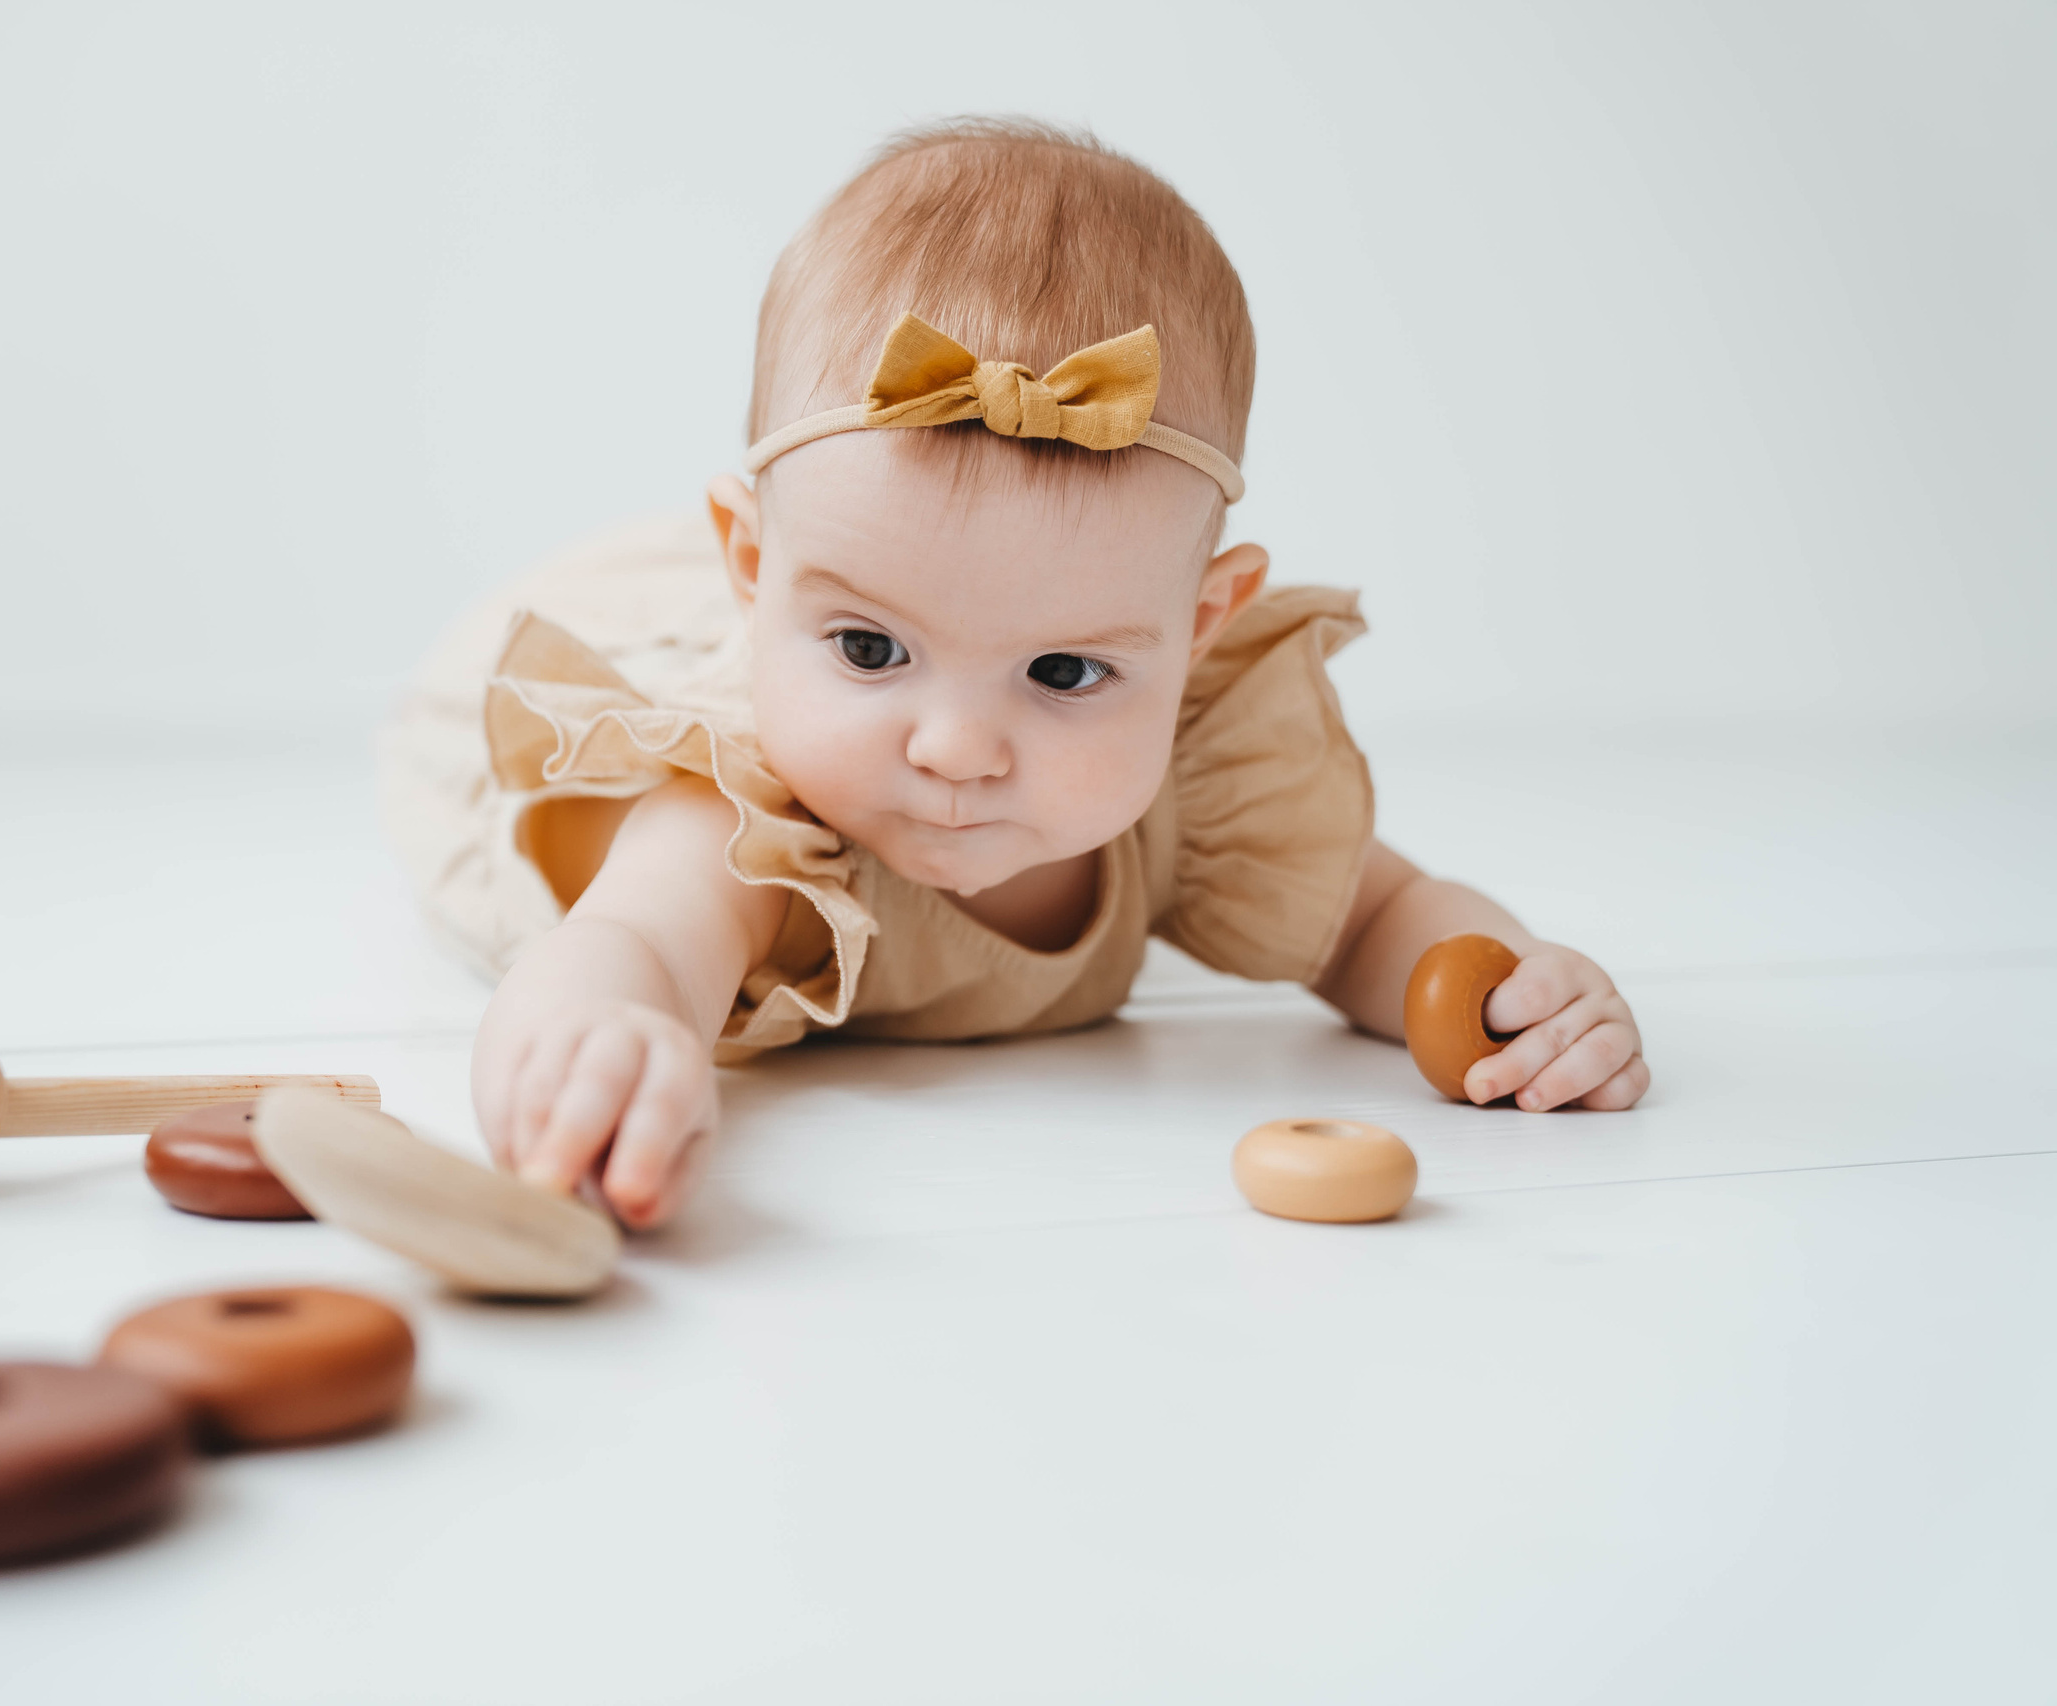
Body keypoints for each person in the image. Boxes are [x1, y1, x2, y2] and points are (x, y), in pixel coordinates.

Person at [383, 118, 1648, 1230]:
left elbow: (1378, 921)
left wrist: (1523, 991)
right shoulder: (739, 810)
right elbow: (634, 950)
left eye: (1060, 670)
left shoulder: (1195, 789)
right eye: (871, 650)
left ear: (1201, 625)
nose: (955, 750)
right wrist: (606, 1047)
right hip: (538, 691)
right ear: (754, 569)